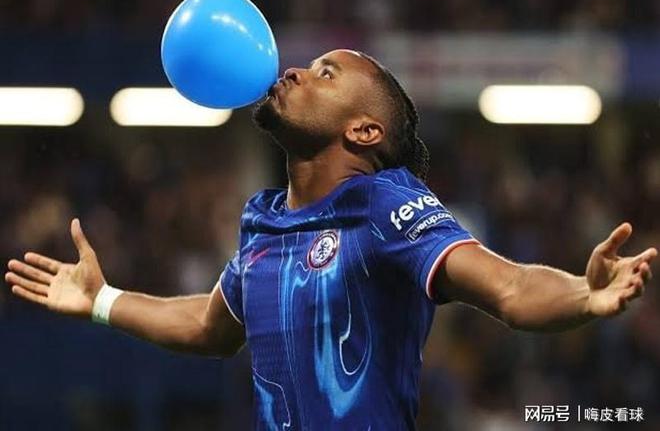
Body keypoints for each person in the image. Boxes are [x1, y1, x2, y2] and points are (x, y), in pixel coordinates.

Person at [5, 49, 657, 430]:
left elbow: (509, 286)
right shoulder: (262, 223)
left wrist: (582, 294)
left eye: (325, 74)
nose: (293, 70)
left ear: (365, 132)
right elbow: (209, 326)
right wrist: (102, 299)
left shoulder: (385, 203)